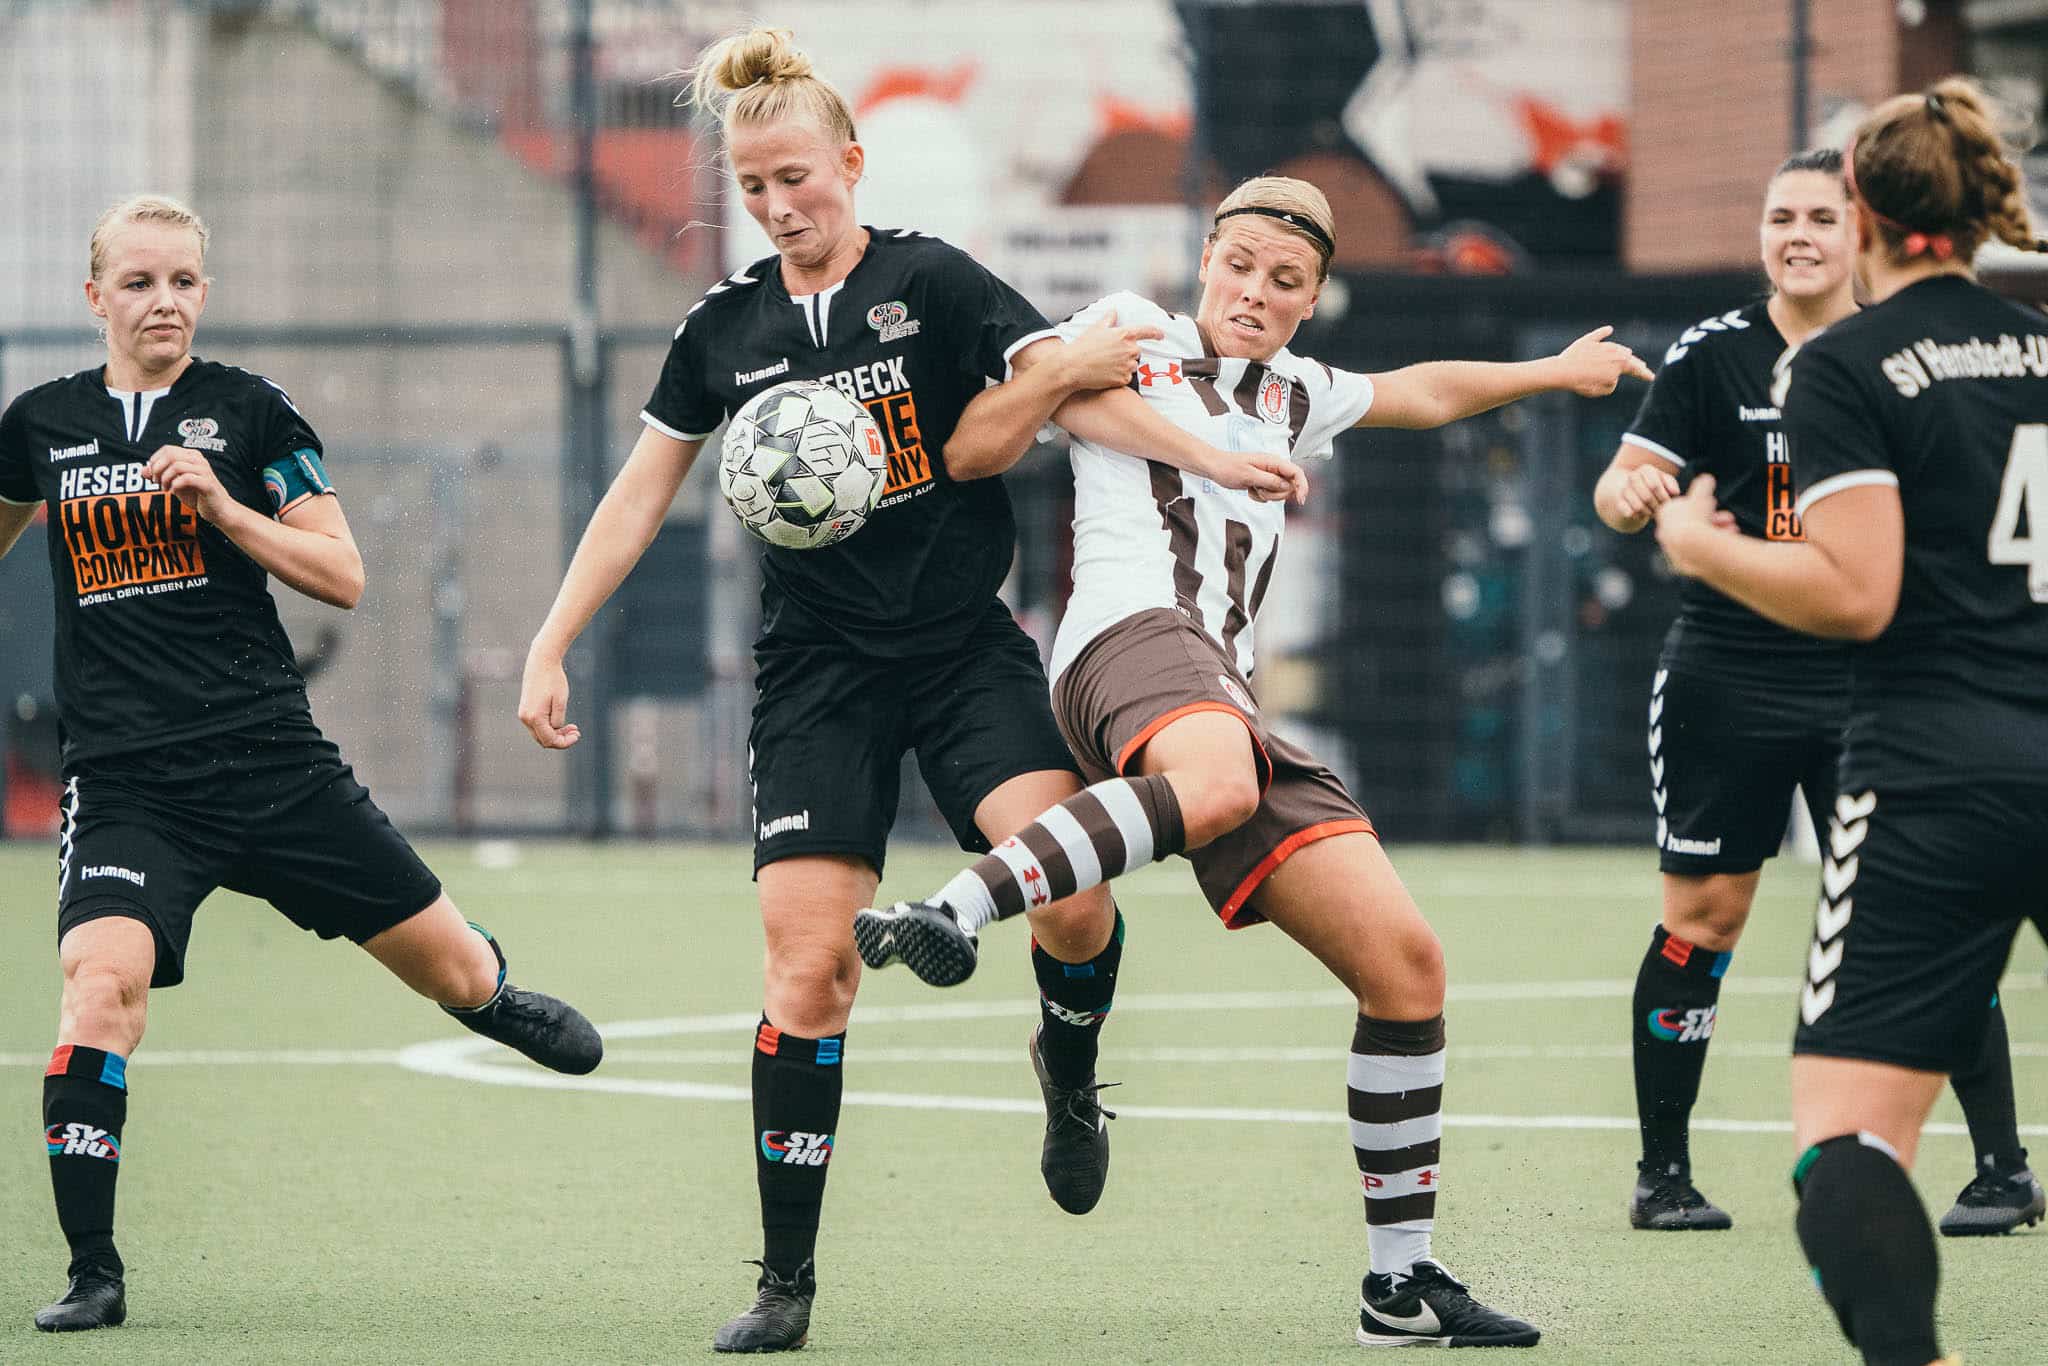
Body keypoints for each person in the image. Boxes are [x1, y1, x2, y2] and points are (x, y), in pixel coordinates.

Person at [515, 27, 1302, 1355]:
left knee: (1076, 899)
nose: (778, 205)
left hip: (959, 650)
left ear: (850, 162)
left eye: (796, 177)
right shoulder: (723, 328)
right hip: (816, 672)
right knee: (809, 970)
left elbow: (1065, 391)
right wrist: (552, 639)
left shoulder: (932, 281)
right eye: (752, 187)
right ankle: (785, 1281)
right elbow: (640, 490)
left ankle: (1068, 1073)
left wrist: (1208, 458)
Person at [854, 175, 1652, 1349]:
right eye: (1238, 266)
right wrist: (1208, 459)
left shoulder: (1296, 392)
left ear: (1311, 299)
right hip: (1125, 641)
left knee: (1405, 969)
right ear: (1204, 262)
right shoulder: (1133, 327)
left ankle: (1395, 1285)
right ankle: (955, 908)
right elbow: (1046, 418)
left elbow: (1421, 391)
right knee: (1220, 780)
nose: (1254, 292)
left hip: (1218, 695)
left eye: (1285, 281)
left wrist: (1549, 372)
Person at [0, 195, 603, 1335]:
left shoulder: (251, 411)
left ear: (205, 292)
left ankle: (490, 990)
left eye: (183, 281)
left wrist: (224, 507)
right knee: (98, 988)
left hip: (273, 763)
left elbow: (343, 575)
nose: (164, 301)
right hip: (127, 783)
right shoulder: (41, 423)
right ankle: (94, 1270)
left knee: (448, 970)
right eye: (138, 282)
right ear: (95, 298)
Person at [1655, 77, 2048, 1366]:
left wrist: (1699, 547)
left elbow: (1853, 591)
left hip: (1933, 775)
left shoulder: (1840, 363)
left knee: (1843, 1148)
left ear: (1861, 214)